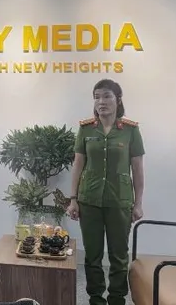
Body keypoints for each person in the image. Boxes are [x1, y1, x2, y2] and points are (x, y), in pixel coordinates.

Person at [66, 79, 145, 305]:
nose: (101, 101)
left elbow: (138, 169)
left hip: (120, 201)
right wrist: (73, 199)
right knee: (92, 255)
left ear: (118, 100)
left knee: (119, 256)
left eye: (107, 96)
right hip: (89, 200)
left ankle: (117, 299)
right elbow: (78, 165)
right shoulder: (86, 129)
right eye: (97, 97)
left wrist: (138, 203)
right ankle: (96, 299)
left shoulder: (130, 130)